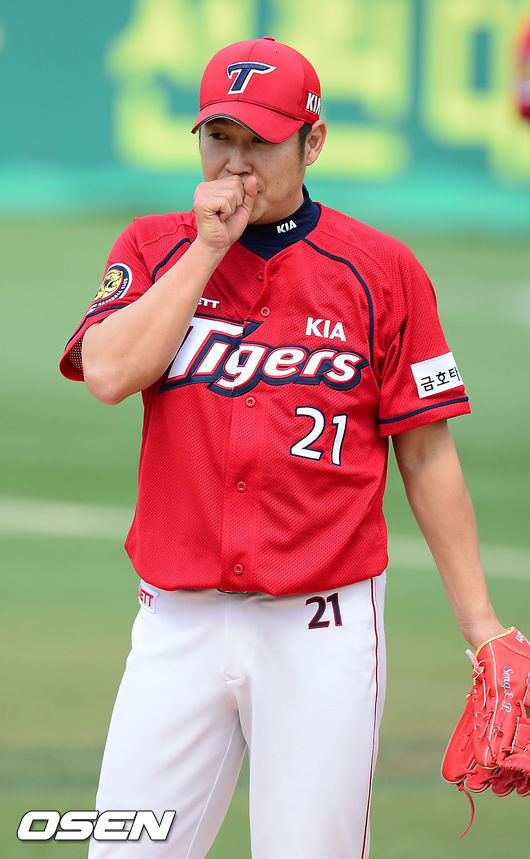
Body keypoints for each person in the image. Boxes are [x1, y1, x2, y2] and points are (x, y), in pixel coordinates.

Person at [60, 36, 507, 859]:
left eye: (260, 142)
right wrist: (207, 250)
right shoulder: (154, 247)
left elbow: (426, 453)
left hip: (320, 630)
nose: (235, 164)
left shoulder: (381, 271)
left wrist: (483, 627)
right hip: (175, 625)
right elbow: (110, 372)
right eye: (218, 137)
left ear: (313, 142)